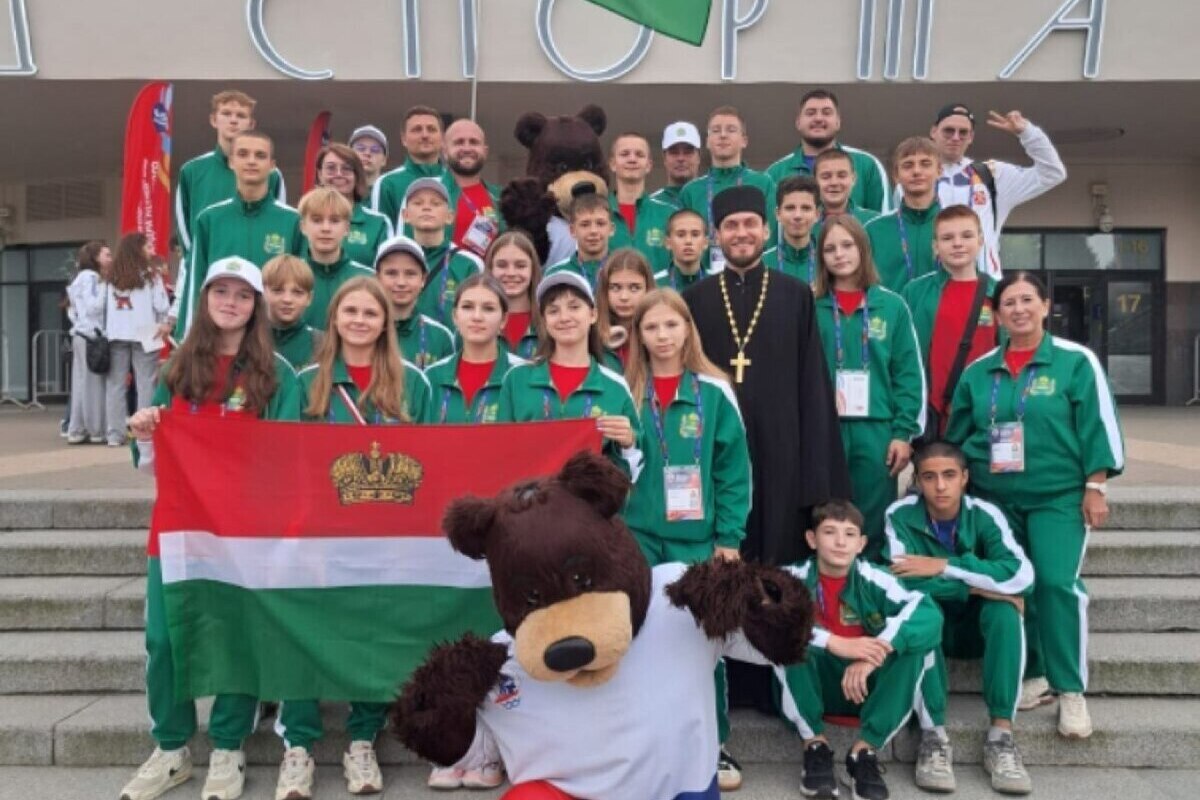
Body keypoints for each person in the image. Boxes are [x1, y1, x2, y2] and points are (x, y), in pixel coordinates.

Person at [121, 257, 300, 800]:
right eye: (220, 291)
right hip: (178, 529)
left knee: (235, 638)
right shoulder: (176, 369)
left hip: (243, 535)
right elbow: (149, 463)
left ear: (256, 306)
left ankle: (227, 746)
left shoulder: (276, 374)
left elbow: (286, 459)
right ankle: (171, 748)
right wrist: (145, 431)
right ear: (204, 300)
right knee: (164, 639)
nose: (230, 302)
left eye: (242, 295)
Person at [684, 185, 850, 714]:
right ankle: (726, 685)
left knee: (776, 568)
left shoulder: (794, 294)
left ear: (765, 228)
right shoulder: (695, 300)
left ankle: (778, 689)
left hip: (783, 454)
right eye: (730, 226)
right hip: (719, 455)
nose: (741, 234)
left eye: (749, 224)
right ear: (716, 235)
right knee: (725, 568)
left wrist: (818, 480)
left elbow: (814, 387)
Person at [946, 271, 1124, 739]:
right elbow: (958, 437)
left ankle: (1070, 689)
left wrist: (1096, 485)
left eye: (1028, 300)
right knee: (1014, 585)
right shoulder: (979, 371)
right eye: (1009, 302)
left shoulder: (1075, 362)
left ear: (1045, 306)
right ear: (996, 313)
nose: (1019, 309)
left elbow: (1098, 425)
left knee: (1055, 583)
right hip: (995, 498)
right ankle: (1033, 673)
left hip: (1057, 495)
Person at [275, 278, 431, 800]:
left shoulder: (413, 383)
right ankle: (298, 745)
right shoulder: (305, 381)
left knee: (374, 633)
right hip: (318, 533)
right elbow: (287, 461)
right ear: (335, 318)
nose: (360, 321)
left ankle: (362, 737)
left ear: (386, 322)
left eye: (370, 313)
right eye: (351, 311)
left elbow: (434, 461)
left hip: (388, 535)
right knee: (302, 634)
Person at [623, 288, 751, 791]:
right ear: (639, 335)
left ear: (687, 330)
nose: (662, 336)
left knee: (701, 644)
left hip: (698, 540)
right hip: (638, 537)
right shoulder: (624, 391)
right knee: (637, 641)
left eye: (671, 325)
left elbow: (733, 472)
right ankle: (646, 741)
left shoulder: (714, 392)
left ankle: (714, 743)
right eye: (651, 327)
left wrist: (729, 539)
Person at [884, 441, 1035, 795]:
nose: (940, 486)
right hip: (934, 625)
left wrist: (944, 565)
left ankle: (1001, 737)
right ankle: (933, 736)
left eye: (949, 475)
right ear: (917, 481)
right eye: (929, 477)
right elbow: (899, 581)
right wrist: (975, 588)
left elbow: (1021, 575)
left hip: (975, 631)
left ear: (964, 478)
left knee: (1005, 612)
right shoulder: (899, 515)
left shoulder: (985, 514)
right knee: (921, 609)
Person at [777, 500, 941, 800]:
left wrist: (874, 655)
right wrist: (834, 642)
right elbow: (763, 614)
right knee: (785, 638)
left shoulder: (877, 578)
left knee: (916, 643)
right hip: (816, 688)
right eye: (830, 532)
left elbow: (927, 612)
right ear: (812, 539)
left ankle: (864, 753)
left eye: (850, 534)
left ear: (862, 543)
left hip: (867, 692)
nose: (840, 542)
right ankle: (815, 745)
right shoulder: (789, 578)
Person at [813, 216, 925, 560]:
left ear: (863, 248)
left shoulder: (892, 306)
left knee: (871, 518)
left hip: (875, 429)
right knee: (824, 515)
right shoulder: (809, 305)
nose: (839, 254)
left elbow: (907, 374)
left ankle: (869, 584)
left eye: (847, 245)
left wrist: (903, 432)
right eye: (830, 248)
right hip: (824, 429)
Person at [497, 271, 640, 476]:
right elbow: (501, 451)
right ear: (544, 320)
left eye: (574, 307)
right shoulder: (516, 379)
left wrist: (629, 443)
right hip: (529, 495)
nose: (564, 318)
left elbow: (634, 469)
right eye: (553, 310)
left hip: (589, 495)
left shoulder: (615, 387)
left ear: (593, 315)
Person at [171, 130, 303, 339]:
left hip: (273, 338)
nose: (251, 161)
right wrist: (187, 336)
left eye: (260, 156)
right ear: (231, 162)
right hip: (220, 339)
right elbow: (196, 281)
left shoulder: (293, 221)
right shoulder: (209, 219)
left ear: (272, 166)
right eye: (243, 154)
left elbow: (302, 286)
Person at [172, 90, 286, 322]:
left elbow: (278, 222)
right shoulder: (192, 171)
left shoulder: (272, 175)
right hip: (211, 278)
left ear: (251, 124)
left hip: (259, 279)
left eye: (241, 115)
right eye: (226, 113)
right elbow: (186, 234)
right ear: (214, 120)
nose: (233, 120)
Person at [931, 104, 1066, 278]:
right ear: (934, 132)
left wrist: (1028, 133)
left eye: (963, 132)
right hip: (931, 285)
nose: (956, 137)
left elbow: (1053, 173)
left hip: (984, 286)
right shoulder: (914, 178)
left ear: (971, 137)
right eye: (948, 131)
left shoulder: (993, 175)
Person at [902, 206, 999, 439]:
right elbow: (902, 356)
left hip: (984, 414)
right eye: (947, 238)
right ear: (935, 246)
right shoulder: (915, 292)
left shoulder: (998, 293)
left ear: (980, 241)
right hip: (932, 417)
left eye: (966, 236)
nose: (957, 244)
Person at [681, 106, 777, 271]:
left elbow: (771, 236)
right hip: (704, 275)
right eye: (716, 130)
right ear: (707, 142)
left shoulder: (763, 183)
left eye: (731, 130)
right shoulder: (691, 191)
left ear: (744, 141)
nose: (723, 135)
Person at [425, 273, 527, 427]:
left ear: (504, 319)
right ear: (455, 316)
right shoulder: (432, 376)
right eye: (467, 307)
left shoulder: (524, 374)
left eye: (488, 308)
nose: (477, 317)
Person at [767, 89, 890, 214]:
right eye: (810, 113)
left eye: (826, 113)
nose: (818, 118)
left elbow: (884, 220)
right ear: (798, 122)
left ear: (838, 122)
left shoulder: (867, 165)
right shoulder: (775, 173)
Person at [104, 232, 171, 446]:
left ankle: (115, 434)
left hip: (116, 332)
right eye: (147, 246)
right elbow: (161, 305)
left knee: (115, 385)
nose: (151, 249)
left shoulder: (111, 276)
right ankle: (145, 431)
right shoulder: (150, 275)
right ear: (138, 249)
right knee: (146, 383)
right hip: (146, 331)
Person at [402, 177, 484, 326]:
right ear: (405, 215)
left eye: (436, 203)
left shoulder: (468, 264)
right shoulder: (394, 259)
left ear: (449, 217)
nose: (426, 208)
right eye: (418, 203)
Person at [866, 137, 942, 293]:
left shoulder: (956, 227)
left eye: (925, 164)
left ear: (939, 171)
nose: (917, 171)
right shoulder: (874, 230)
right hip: (891, 309)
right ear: (896, 175)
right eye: (908, 165)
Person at [297, 187, 376, 328]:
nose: (326, 228)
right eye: (317, 220)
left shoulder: (368, 278)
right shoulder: (290, 276)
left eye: (334, 221)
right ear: (303, 227)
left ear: (347, 228)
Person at [373, 234, 455, 368]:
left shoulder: (441, 337)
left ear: (423, 279)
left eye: (410, 274)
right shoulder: (363, 330)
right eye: (391, 273)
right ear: (377, 278)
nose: (401, 282)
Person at [314, 142, 394, 266]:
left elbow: (388, 271)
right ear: (320, 174)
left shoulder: (379, 223)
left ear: (356, 176)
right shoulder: (301, 220)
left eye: (346, 169)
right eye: (331, 168)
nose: (338, 174)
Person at [371, 105, 448, 229]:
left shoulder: (456, 182)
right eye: (417, 130)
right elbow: (380, 233)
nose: (425, 135)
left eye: (431, 129)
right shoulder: (387, 183)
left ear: (442, 138)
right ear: (404, 139)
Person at [65, 240, 111, 444]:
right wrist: (106, 287)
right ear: (95, 258)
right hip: (91, 335)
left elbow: (73, 310)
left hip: (80, 334)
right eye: (106, 255)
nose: (110, 258)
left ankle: (77, 428)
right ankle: (95, 429)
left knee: (80, 384)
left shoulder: (79, 278)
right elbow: (94, 307)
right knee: (93, 385)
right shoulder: (92, 278)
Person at [607, 131, 673, 271]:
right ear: (612, 164)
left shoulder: (669, 214)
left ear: (649, 165)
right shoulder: (599, 214)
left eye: (639, 154)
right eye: (624, 154)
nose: (632, 159)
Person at [442, 118, 504, 257]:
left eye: (474, 142)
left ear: (485, 152)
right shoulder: (430, 195)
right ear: (445, 152)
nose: (467, 148)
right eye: (459, 142)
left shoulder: (501, 197)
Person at [486, 231, 542, 359]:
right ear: (490, 269)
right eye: (502, 265)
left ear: (532, 270)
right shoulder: (476, 322)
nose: (511, 273)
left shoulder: (550, 323)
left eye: (520, 266)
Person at [544, 190, 615, 290]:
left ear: (611, 229)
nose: (593, 231)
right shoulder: (557, 274)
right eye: (585, 225)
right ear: (572, 231)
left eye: (600, 224)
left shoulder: (625, 269)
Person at [262, 254, 321, 371]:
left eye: (297, 292)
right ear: (264, 292)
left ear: (309, 298)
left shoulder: (322, 344)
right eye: (278, 291)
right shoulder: (247, 339)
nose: (287, 299)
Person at [596, 248, 654, 366]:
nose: (624, 297)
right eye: (615, 287)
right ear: (604, 290)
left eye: (634, 288)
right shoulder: (589, 333)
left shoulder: (659, 333)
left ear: (648, 289)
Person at [762, 176, 820, 284]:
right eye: (790, 208)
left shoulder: (828, 263)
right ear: (778, 214)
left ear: (817, 215)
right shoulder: (762, 264)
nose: (798, 215)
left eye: (806, 208)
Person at [814, 149, 879, 230]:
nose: (834, 182)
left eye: (842, 176)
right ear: (815, 181)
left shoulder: (874, 222)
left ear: (854, 179)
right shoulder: (806, 223)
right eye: (826, 177)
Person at [648, 121, 702, 210]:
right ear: (664, 158)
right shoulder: (651, 205)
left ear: (698, 157)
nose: (681, 158)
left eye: (688, 152)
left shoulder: (712, 199)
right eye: (674, 152)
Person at [655, 208, 710, 291]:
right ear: (668, 243)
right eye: (681, 235)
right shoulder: (654, 284)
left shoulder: (718, 282)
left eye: (695, 235)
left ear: (705, 242)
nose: (688, 241)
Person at [348, 125, 389, 192]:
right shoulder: (336, 193)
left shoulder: (390, 193)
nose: (367, 153)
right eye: (360, 148)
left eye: (375, 150)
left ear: (384, 160)